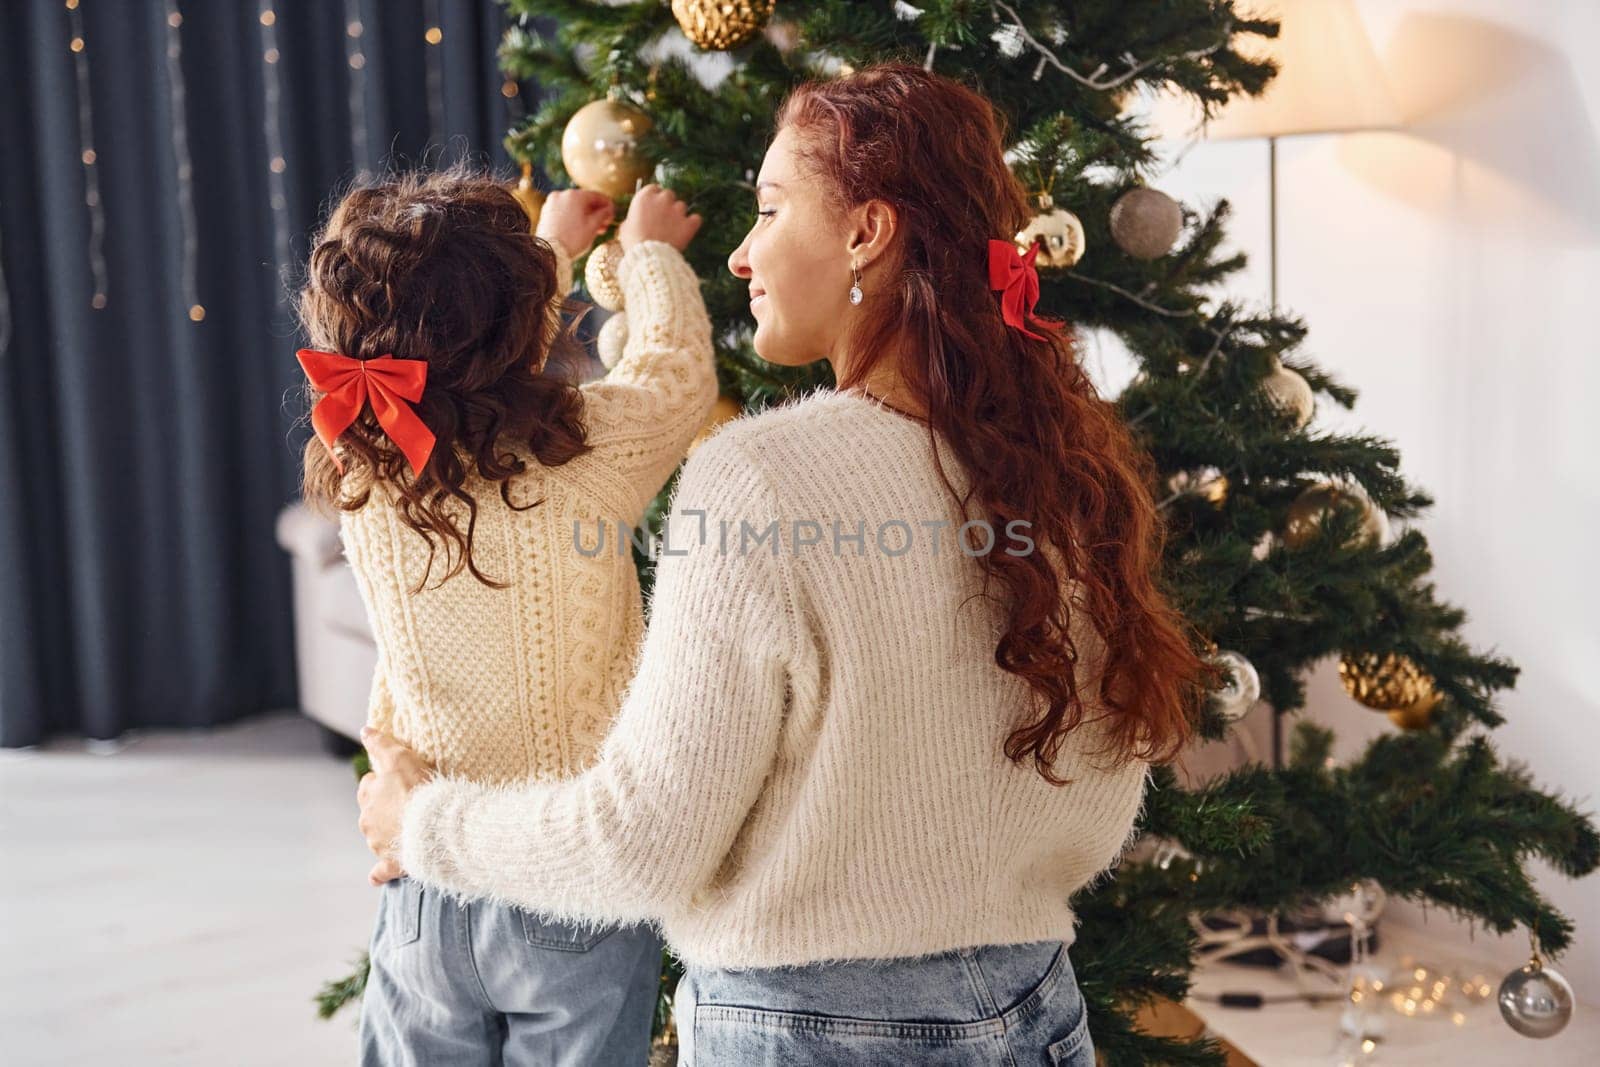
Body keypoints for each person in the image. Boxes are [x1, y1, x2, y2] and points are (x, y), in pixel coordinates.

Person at [357, 64, 1209, 1065]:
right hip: (1032, 1004)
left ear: (866, 233)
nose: (744, 255)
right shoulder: (1067, 460)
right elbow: (1104, 786)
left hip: (806, 1029)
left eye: (768, 210)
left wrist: (420, 821)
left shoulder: (760, 480)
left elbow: (639, 846)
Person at [296, 166, 710, 1065]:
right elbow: (674, 377)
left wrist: (548, 249)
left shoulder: (361, 465)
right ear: (530, 323)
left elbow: (456, 334)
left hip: (424, 869)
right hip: (570, 876)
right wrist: (645, 257)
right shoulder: (587, 453)